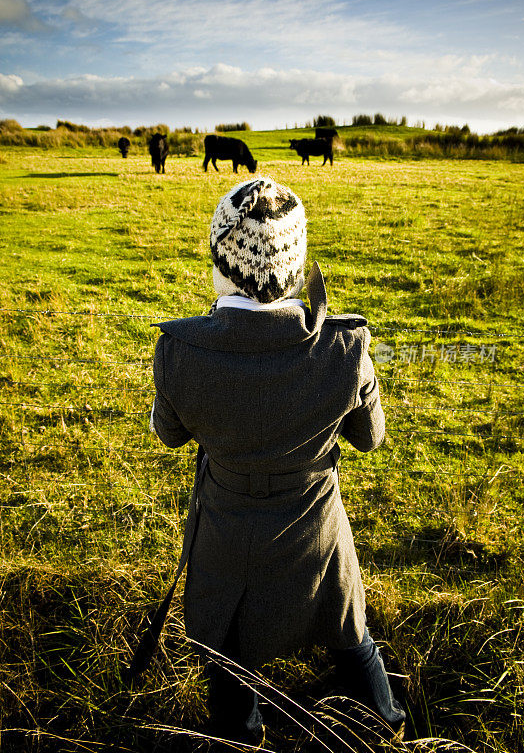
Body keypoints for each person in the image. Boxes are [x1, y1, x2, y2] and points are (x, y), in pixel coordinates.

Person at [150, 177, 406, 748]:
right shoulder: (345, 346)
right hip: (318, 535)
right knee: (348, 630)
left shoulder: (180, 351)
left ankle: (241, 737)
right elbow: (371, 439)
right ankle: (385, 722)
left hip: (224, 537)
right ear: (298, 261)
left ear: (219, 259)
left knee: (227, 647)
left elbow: (167, 434)